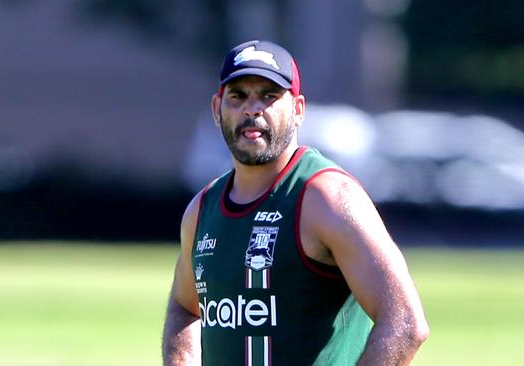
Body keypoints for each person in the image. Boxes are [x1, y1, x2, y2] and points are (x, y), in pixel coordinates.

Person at [162, 39, 429, 366]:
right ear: (217, 110)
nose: (252, 109)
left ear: (298, 109)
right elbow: (184, 307)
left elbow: (405, 324)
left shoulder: (326, 197)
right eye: (238, 96)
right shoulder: (202, 210)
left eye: (269, 96)